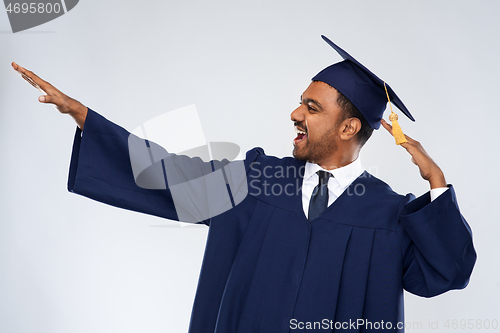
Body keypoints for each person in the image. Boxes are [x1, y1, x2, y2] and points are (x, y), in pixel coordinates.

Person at [12, 36, 476, 333]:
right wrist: (86, 119)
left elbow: (445, 274)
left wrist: (435, 184)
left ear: (349, 128)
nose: (295, 114)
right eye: (300, 104)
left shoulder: (390, 216)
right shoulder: (258, 181)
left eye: (312, 108)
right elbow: (171, 177)